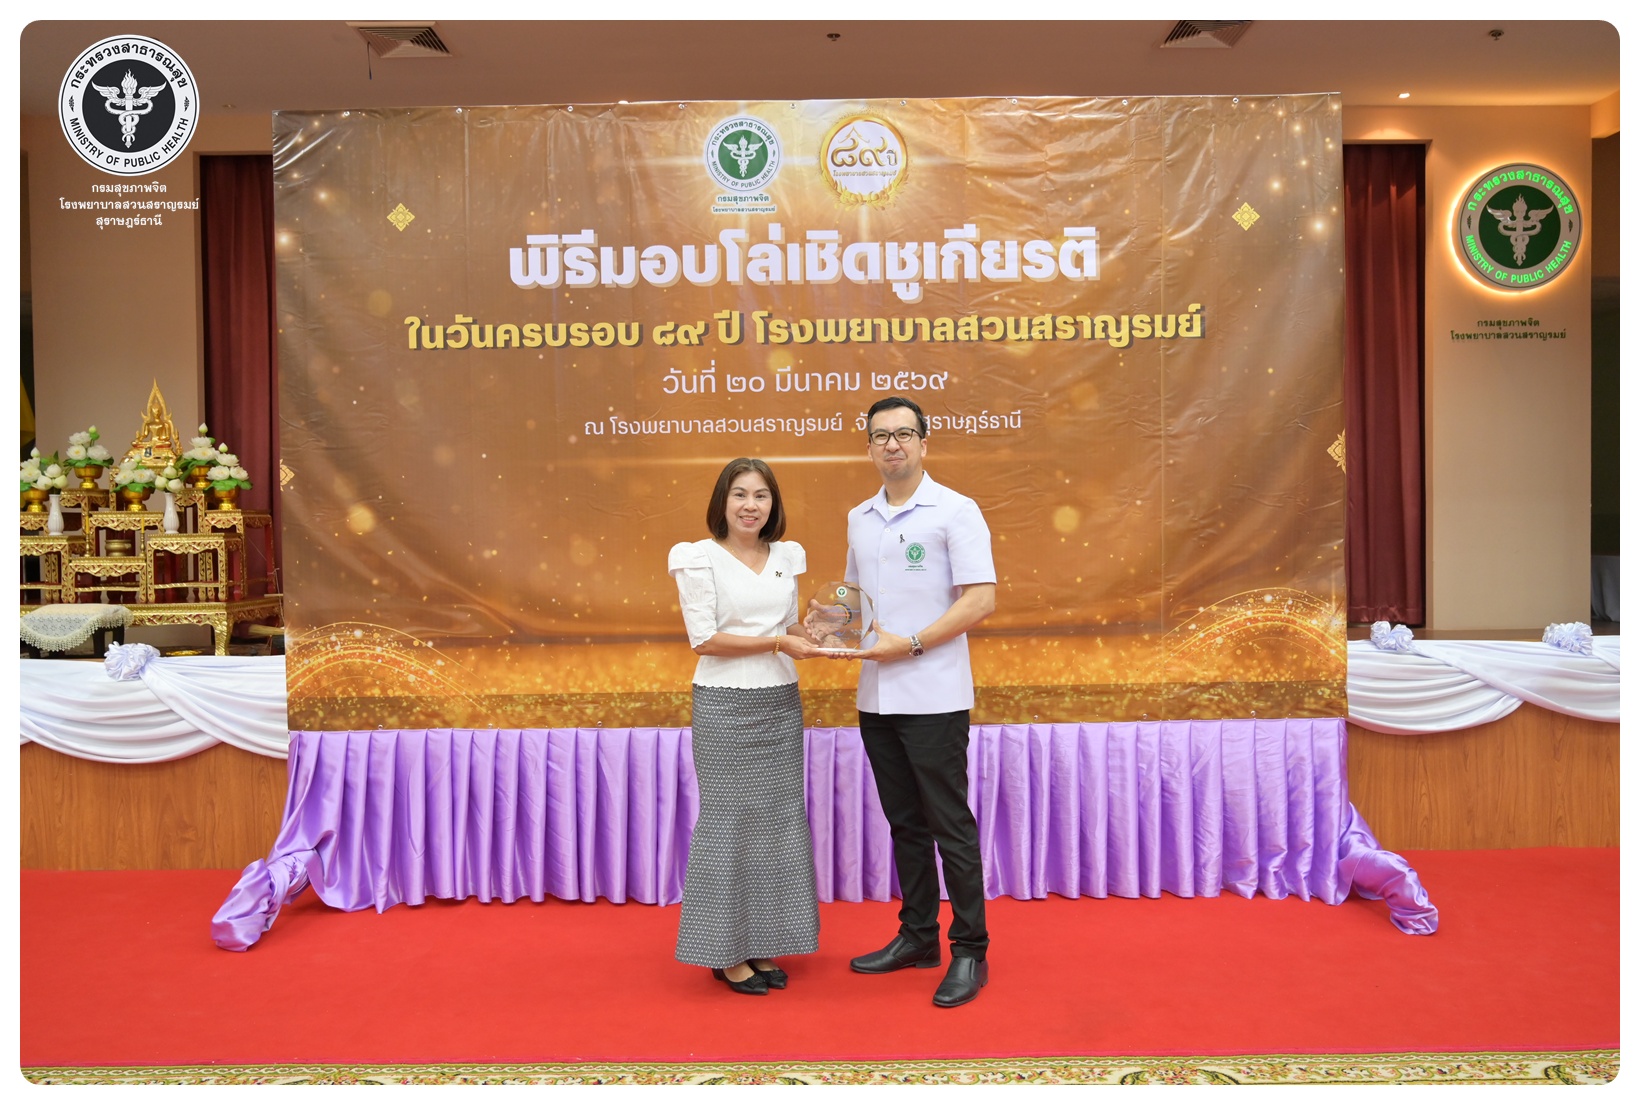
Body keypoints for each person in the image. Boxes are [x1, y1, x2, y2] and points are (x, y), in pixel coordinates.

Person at [829, 396, 998, 1008]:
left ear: (924, 443)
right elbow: (853, 598)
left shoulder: (956, 510)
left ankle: (970, 950)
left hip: (935, 694)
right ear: (869, 447)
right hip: (876, 696)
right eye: (880, 436)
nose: (891, 445)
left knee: (949, 825)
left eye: (903, 434)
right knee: (904, 824)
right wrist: (824, 624)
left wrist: (913, 644)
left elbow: (980, 599)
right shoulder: (860, 516)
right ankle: (918, 936)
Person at [667, 457, 824, 995]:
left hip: (780, 702)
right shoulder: (697, 557)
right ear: (723, 501)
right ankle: (723, 953)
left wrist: (816, 631)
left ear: (773, 504)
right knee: (729, 823)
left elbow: (789, 625)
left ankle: (758, 944)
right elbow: (705, 639)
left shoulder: (786, 555)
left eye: (761, 495)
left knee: (776, 825)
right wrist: (780, 642)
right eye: (740, 494)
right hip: (725, 705)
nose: (750, 505)